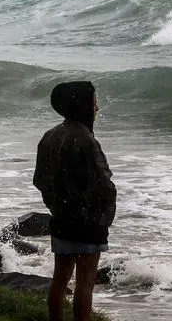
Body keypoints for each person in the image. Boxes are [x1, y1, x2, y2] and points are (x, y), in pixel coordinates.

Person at [33, 81, 117, 321]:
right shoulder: (86, 139)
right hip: (89, 222)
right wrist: (104, 217)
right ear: (81, 104)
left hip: (61, 218)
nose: (97, 105)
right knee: (85, 282)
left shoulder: (50, 136)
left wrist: (57, 206)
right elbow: (104, 183)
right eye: (93, 100)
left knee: (60, 278)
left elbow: (40, 179)